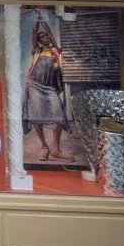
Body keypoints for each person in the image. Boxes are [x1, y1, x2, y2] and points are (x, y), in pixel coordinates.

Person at [25, 20, 73, 163]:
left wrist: (44, 22)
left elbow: (51, 35)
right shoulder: (37, 50)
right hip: (35, 85)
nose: (45, 38)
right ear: (39, 41)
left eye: (46, 36)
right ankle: (44, 147)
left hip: (51, 87)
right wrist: (36, 23)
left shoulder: (55, 50)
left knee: (58, 114)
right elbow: (34, 35)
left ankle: (55, 149)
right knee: (36, 115)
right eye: (42, 37)